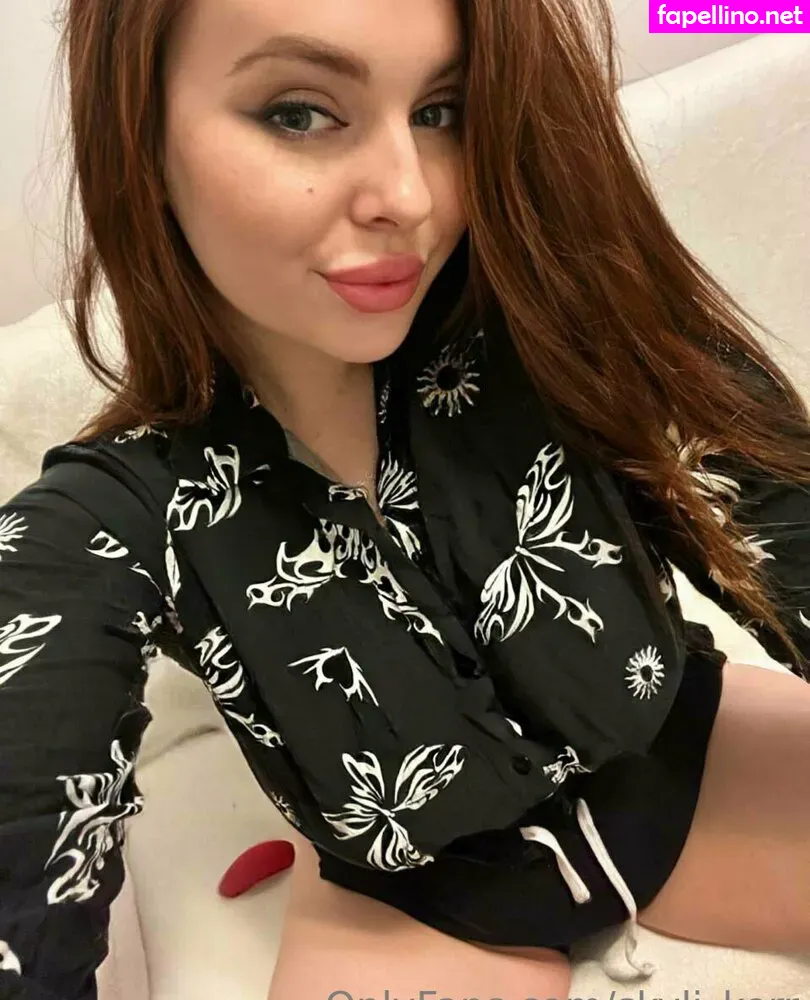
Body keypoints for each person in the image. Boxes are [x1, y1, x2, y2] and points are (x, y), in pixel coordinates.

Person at [2, 0, 810, 996]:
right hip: (416, 909)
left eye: (441, 111)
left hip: (696, 774)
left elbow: (784, 509)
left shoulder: (569, 336)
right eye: (299, 112)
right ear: (139, 134)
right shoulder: (109, 519)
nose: (410, 195)